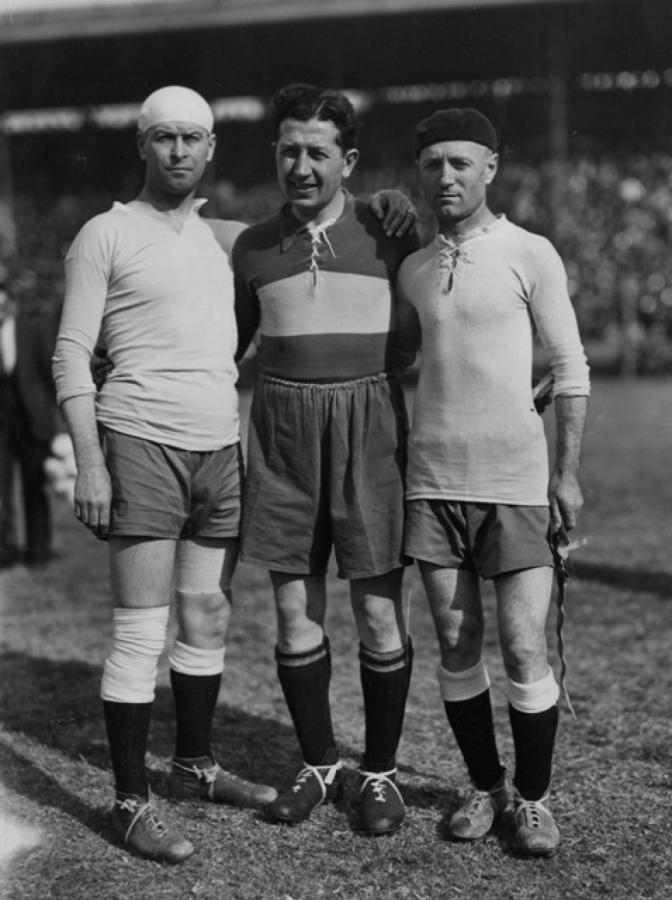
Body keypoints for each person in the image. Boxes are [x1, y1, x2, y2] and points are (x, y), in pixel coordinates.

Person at [52, 84, 416, 864]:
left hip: (244, 447)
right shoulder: (149, 237)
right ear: (141, 144)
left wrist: (390, 202)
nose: (179, 151)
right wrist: (89, 458)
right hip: (177, 441)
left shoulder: (279, 238)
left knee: (222, 617)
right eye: (164, 137)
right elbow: (85, 349)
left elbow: (382, 303)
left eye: (193, 138)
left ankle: (229, 764)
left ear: (212, 148)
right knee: (168, 627)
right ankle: (146, 795)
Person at [396, 108, 590, 857]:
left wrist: (566, 473)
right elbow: (404, 357)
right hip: (432, 483)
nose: (445, 176)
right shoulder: (413, 268)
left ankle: (534, 801)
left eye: (461, 163)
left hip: (514, 481)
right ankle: (487, 784)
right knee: (454, 637)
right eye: (433, 163)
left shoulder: (529, 252)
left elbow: (570, 367)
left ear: (490, 168)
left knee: (521, 645)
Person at [233, 83, 419, 837]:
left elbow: (413, 338)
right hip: (281, 432)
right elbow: (232, 344)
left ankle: (379, 773)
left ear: (348, 160)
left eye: (317, 153)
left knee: (378, 611)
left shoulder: (388, 231)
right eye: (289, 151)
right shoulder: (251, 245)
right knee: (290, 610)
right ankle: (318, 763)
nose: (301, 166)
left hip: (368, 426)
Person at [0, 267, 60, 568]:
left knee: (34, 487)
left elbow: (49, 379)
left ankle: (38, 552)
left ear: (8, 300)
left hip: (32, 423)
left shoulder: (29, 330)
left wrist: (60, 426)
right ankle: (5, 552)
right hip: (2, 427)